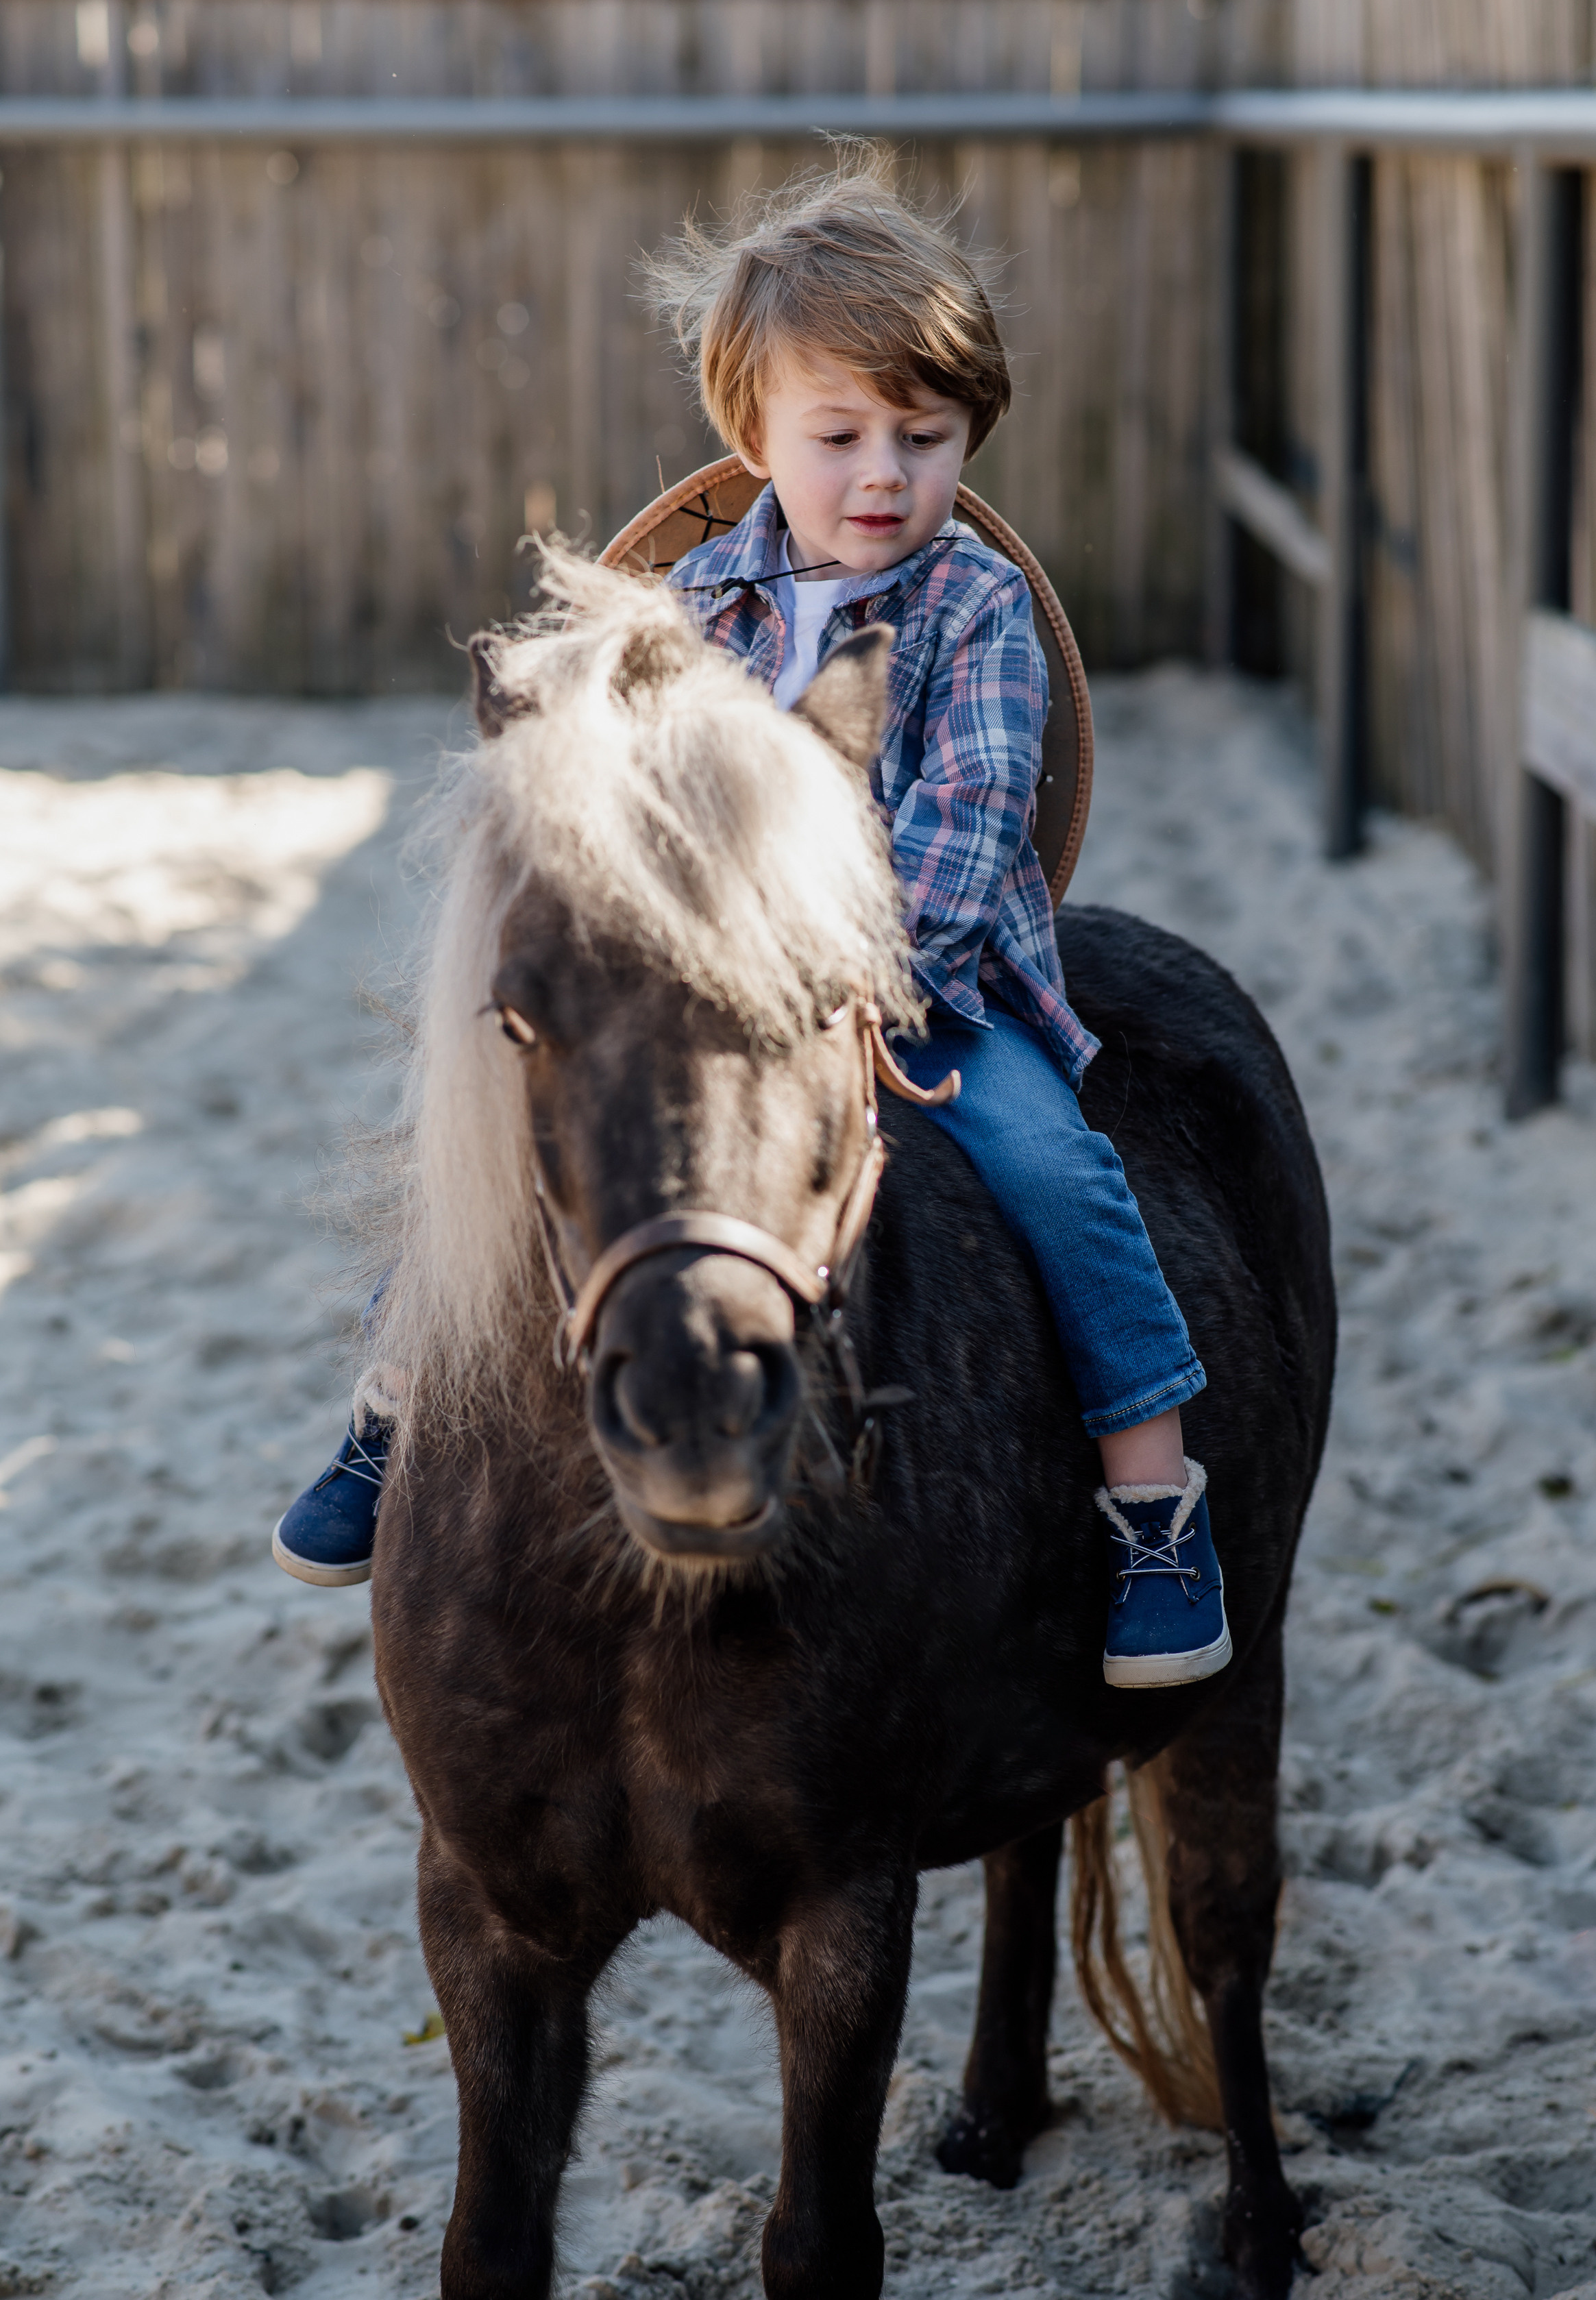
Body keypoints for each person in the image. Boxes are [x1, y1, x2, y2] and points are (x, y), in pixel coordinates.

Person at [274, 156, 1229, 1692]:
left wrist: (844, 984)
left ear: (967, 436)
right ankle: (397, 1414)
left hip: (936, 997)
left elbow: (972, 827)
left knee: (1062, 1171)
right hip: (708, 1007)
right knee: (516, 1149)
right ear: (752, 436)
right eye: (838, 436)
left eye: (922, 440)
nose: (881, 477)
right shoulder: (694, 604)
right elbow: (618, 803)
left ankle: (1149, 1503)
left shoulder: (973, 610)